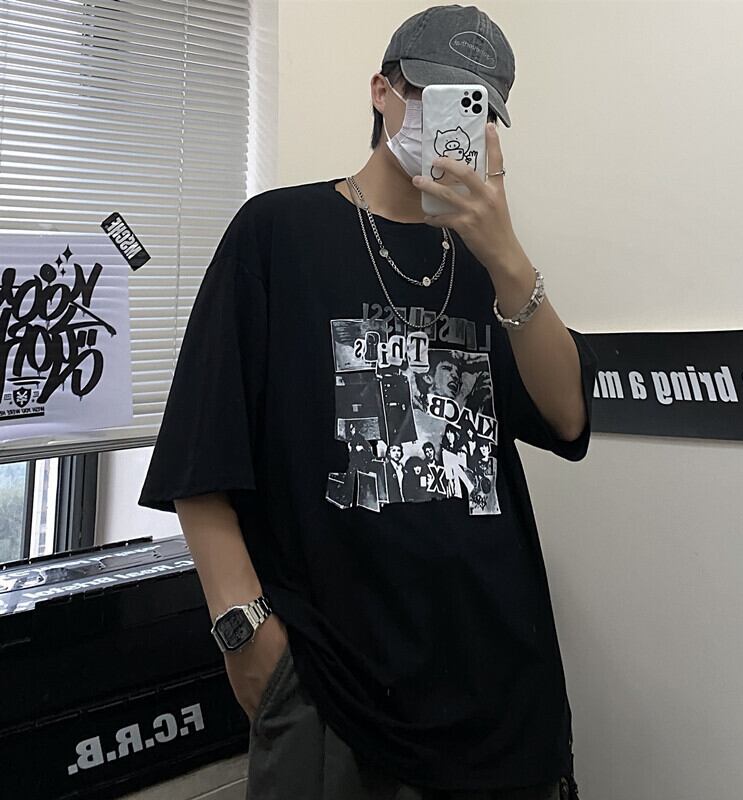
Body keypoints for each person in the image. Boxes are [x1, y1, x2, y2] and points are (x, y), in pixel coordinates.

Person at [138, 5, 600, 800]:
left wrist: (507, 257)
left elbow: (567, 417)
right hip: (332, 694)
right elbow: (200, 454)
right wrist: (247, 637)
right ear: (382, 92)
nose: (454, 121)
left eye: (478, 109)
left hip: (500, 690)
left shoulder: (489, 263)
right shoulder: (278, 232)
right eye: (435, 95)